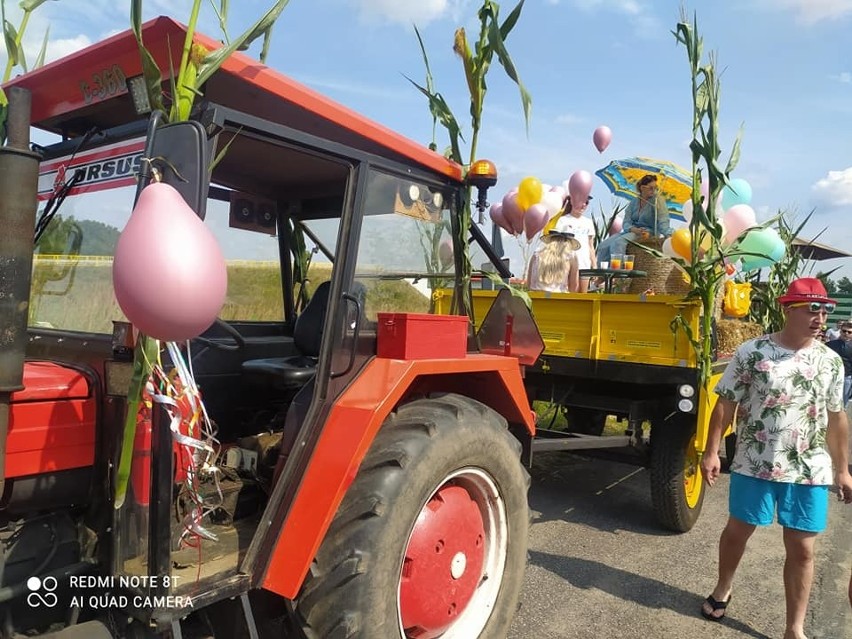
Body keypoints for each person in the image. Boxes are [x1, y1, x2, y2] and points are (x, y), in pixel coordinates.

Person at [698, 277, 852, 639]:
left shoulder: (830, 361)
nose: (820, 316)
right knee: (738, 530)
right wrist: (711, 452)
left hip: (809, 469)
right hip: (755, 461)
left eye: (825, 308)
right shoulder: (753, 352)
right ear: (788, 309)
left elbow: (836, 417)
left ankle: (793, 627)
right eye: (812, 308)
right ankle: (723, 587)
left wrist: (842, 470)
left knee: (802, 550)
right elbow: (726, 402)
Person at [596, 174, 672, 264]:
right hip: (631, 231)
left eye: (655, 188)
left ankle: (619, 275)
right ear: (642, 188)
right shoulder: (634, 202)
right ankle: (602, 275)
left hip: (647, 233)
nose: (654, 190)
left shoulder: (657, 201)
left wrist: (669, 234)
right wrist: (633, 229)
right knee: (603, 245)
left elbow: (663, 220)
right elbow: (626, 221)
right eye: (651, 188)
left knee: (618, 243)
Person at [553, 195, 596, 292]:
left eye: (586, 203)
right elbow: (556, 243)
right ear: (572, 202)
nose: (583, 205)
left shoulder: (588, 222)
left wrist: (594, 265)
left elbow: (590, 246)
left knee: (583, 297)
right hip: (568, 264)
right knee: (572, 297)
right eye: (581, 202)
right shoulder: (563, 220)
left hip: (584, 265)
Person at [825, 321, 852, 405]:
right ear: (840, 331)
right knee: (828, 399)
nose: (846, 333)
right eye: (844, 331)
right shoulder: (829, 345)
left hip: (847, 377)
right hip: (831, 376)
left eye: (849, 332)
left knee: (843, 400)